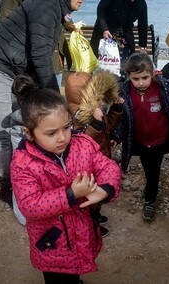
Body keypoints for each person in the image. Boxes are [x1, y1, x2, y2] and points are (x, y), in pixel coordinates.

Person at [0, 0, 93, 207]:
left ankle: (23, 178)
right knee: (3, 129)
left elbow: (42, 54)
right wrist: (55, 99)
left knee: (21, 124)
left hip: (13, 70)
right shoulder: (47, 6)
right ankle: (7, 184)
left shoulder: (54, 6)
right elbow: (40, 56)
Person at [10, 74, 121, 284]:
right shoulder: (23, 163)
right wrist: (71, 194)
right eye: (51, 133)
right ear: (29, 133)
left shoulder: (82, 145)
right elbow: (30, 206)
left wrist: (105, 188)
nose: (62, 138)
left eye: (66, 127)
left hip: (81, 231)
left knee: (75, 269)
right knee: (58, 278)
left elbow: (108, 166)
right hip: (53, 242)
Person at [113, 53, 169, 222]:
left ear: (152, 73)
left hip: (160, 139)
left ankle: (150, 199)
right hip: (140, 141)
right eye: (136, 79)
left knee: (154, 171)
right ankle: (150, 188)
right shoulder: (124, 94)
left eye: (145, 77)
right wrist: (116, 136)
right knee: (147, 168)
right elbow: (122, 119)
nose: (141, 83)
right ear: (129, 76)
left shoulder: (165, 87)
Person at [64, 70, 124, 237]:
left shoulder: (95, 112)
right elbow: (80, 142)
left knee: (97, 195)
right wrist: (96, 124)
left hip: (101, 159)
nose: (101, 102)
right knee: (88, 198)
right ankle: (91, 225)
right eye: (97, 98)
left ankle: (95, 215)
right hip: (87, 166)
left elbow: (108, 127)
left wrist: (117, 109)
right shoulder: (75, 117)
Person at [90, 0, 149, 68]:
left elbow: (143, 24)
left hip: (125, 37)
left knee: (125, 66)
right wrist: (104, 29)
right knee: (104, 65)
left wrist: (143, 47)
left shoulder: (141, 3)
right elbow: (101, 8)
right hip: (107, 34)